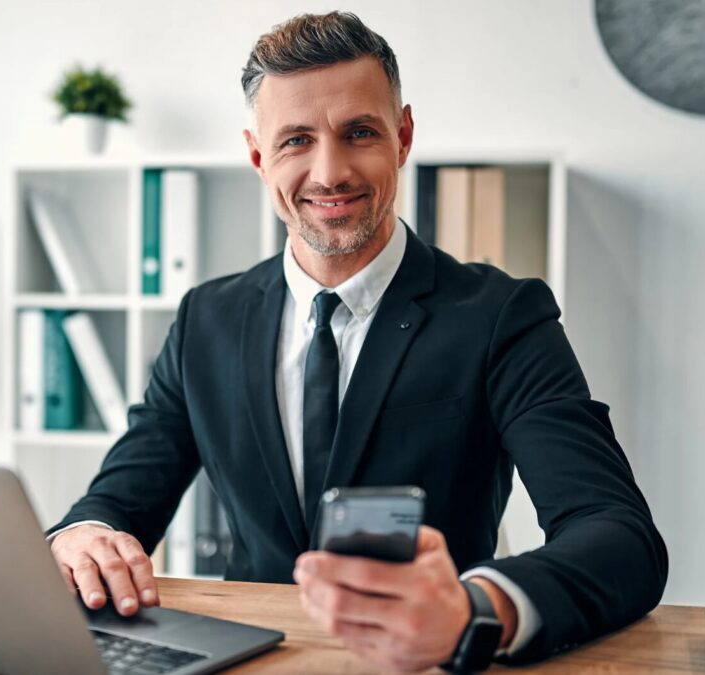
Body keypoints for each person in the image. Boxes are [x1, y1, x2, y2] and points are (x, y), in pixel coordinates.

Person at [47, 11, 667, 671]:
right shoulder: (207, 318)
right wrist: (83, 536)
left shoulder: (500, 316)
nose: (329, 172)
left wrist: (475, 609)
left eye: (359, 132)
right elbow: (116, 501)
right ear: (259, 156)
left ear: (402, 137)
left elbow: (619, 536)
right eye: (295, 141)